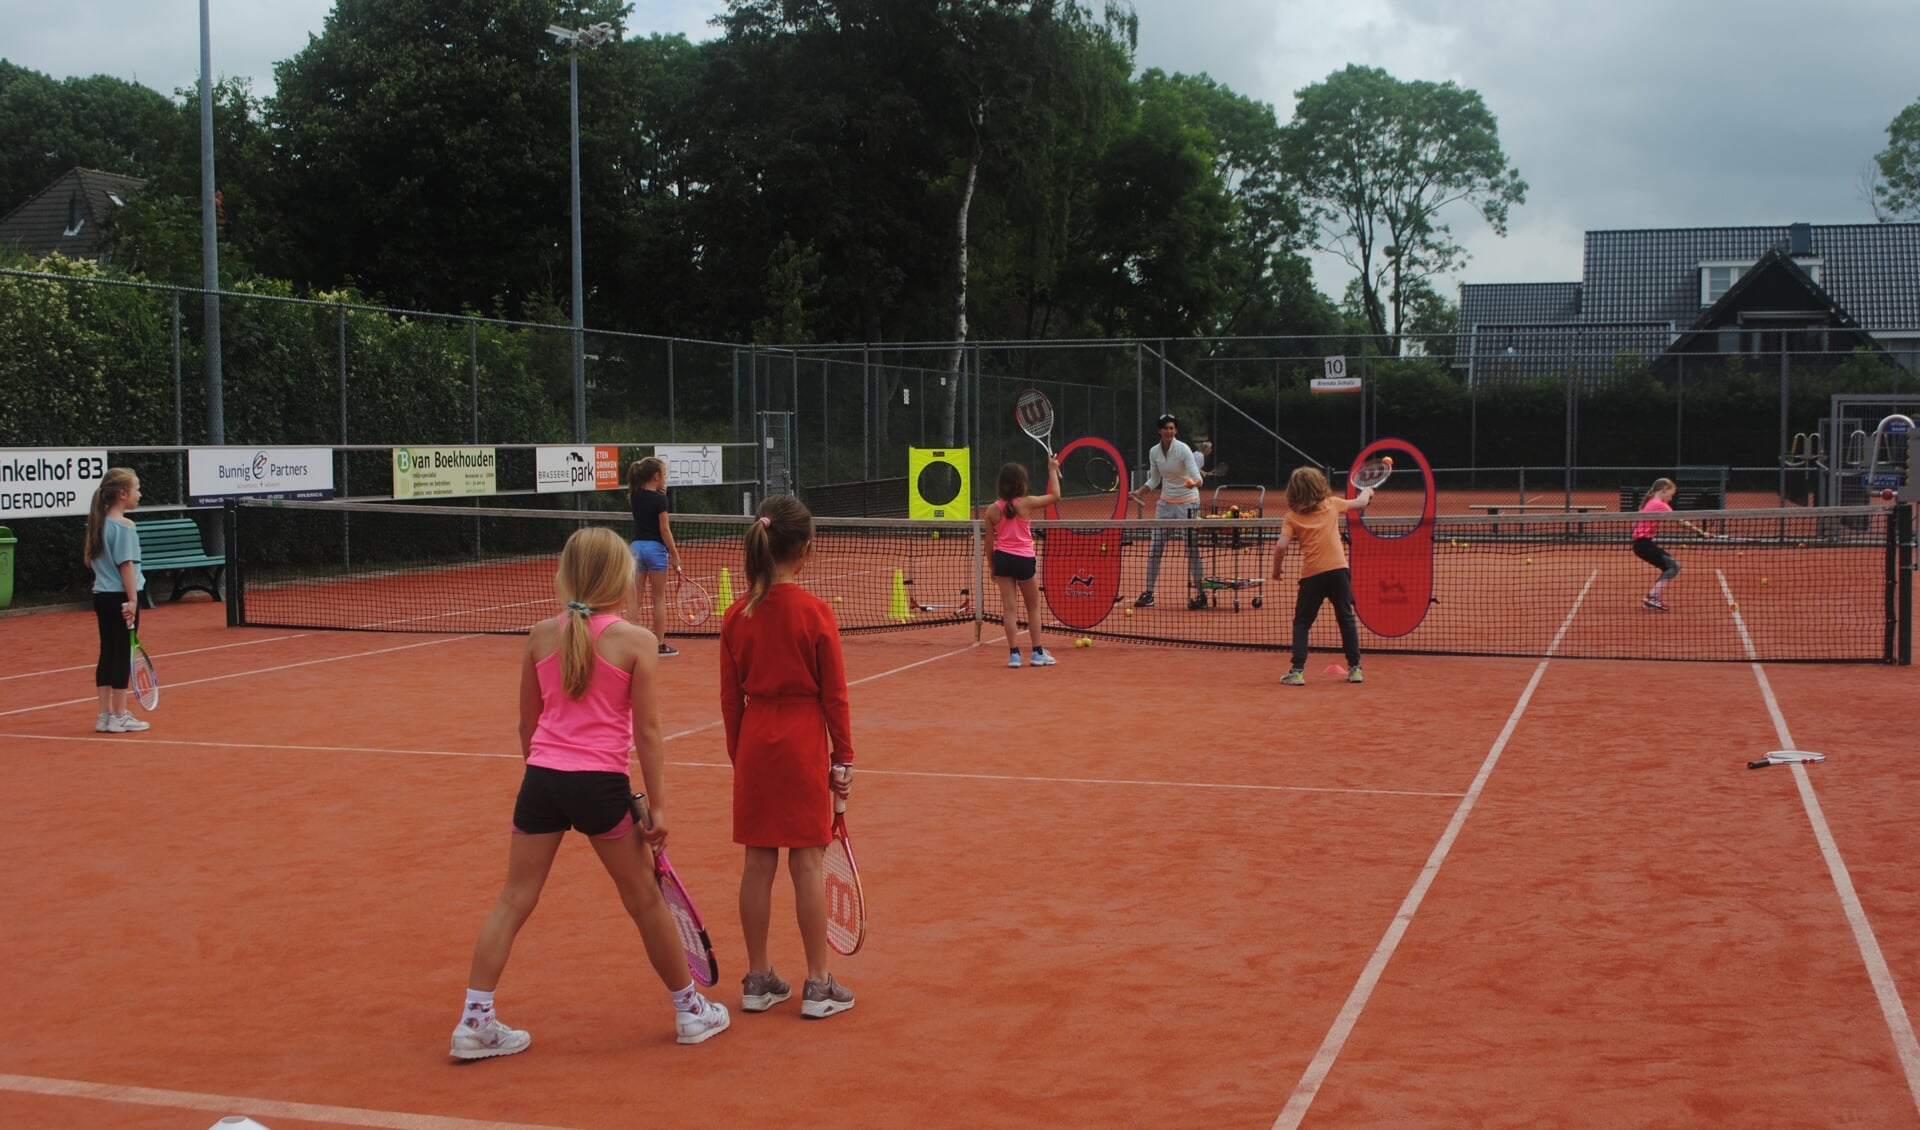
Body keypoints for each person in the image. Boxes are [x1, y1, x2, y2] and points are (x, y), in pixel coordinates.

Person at [451, 526, 729, 1060]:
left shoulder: (539, 636)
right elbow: (647, 734)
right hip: (600, 785)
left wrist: (547, 780)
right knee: (645, 900)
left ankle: (473, 1021)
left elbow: (527, 731)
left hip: (542, 780)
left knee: (513, 899)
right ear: (621, 576)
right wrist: (659, 805)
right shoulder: (638, 641)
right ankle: (691, 1012)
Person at [720, 495, 858, 1020]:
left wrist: (742, 755)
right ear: (804, 551)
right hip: (802, 740)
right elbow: (835, 694)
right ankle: (818, 984)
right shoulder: (816, 611)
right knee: (806, 862)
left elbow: (730, 698)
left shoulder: (737, 614)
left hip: (756, 739)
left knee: (757, 862)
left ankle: (758, 978)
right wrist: (843, 756)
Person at [1270, 466, 1371, 686]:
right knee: (1346, 618)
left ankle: (1297, 671)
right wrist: (1368, 491)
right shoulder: (1332, 503)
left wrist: (1276, 571)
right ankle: (1355, 669)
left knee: (1302, 622)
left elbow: (1280, 547)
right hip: (1339, 571)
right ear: (1319, 485)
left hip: (1312, 575)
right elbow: (1361, 503)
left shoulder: (1291, 516)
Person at [83, 467, 150, 733]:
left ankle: (104, 715)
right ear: (122, 495)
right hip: (122, 597)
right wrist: (133, 601)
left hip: (101, 596)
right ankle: (120, 715)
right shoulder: (125, 527)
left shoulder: (97, 523)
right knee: (123, 654)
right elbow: (126, 566)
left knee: (108, 653)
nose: (140, 494)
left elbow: (89, 561)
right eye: (136, 489)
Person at [984, 456, 1062, 668]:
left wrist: (992, 567)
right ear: (1021, 483)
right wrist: (1052, 469)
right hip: (1024, 560)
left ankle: (1014, 655)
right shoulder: (1026, 503)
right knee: (1033, 606)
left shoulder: (991, 510)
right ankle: (1037, 653)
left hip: (1003, 561)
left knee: (1009, 609)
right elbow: (1056, 495)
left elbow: (989, 544)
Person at [1128, 413, 1208, 610]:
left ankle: (1201, 594)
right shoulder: (1154, 452)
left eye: (1172, 428)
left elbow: (1198, 478)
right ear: (1159, 431)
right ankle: (1149, 593)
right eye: (1165, 428)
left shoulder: (1184, 450)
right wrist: (1138, 491)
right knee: (1155, 548)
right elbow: (1154, 480)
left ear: (1176, 430)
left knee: (1191, 549)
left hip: (1188, 504)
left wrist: (1194, 483)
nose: (1169, 431)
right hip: (1165, 505)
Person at [628, 456, 682, 657]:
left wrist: (662, 495)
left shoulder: (634, 495)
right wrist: (675, 555)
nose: (665, 479)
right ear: (656, 476)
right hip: (655, 550)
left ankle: (629, 641)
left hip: (635, 548)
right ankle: (659, 644)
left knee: (635, 598)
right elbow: (665, 530)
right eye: (664, 475)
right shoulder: (661, 500)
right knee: (658, 598)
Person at [1633, 477, 1709, 611]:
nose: (1671, 498)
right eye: (1671, 494)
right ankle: (1652, 597)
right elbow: (1679, 521)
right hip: (1643, 544)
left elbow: (1636, 523)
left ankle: (1652, 597)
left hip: (1641, 544)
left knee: (1670, 567)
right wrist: (1700, 532)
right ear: (1664, 490)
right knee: (1674, 567)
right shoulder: (1659, 504)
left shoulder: (1649, 502)